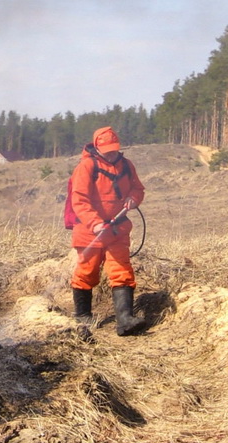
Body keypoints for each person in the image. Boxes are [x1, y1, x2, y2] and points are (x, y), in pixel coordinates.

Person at [70, 126, 146, 336]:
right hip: (89, 231)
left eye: (115, 149)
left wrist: (133, 198)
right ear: (97, 147)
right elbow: (79, 200)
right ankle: (83, 316)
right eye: (108, 149)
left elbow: (138, 189)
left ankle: (125, 320)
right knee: (87, 272)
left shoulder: (127, 165)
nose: (112, 153)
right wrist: (94, 223)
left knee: (122, 271)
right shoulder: (86, 167)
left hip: (117, 229)